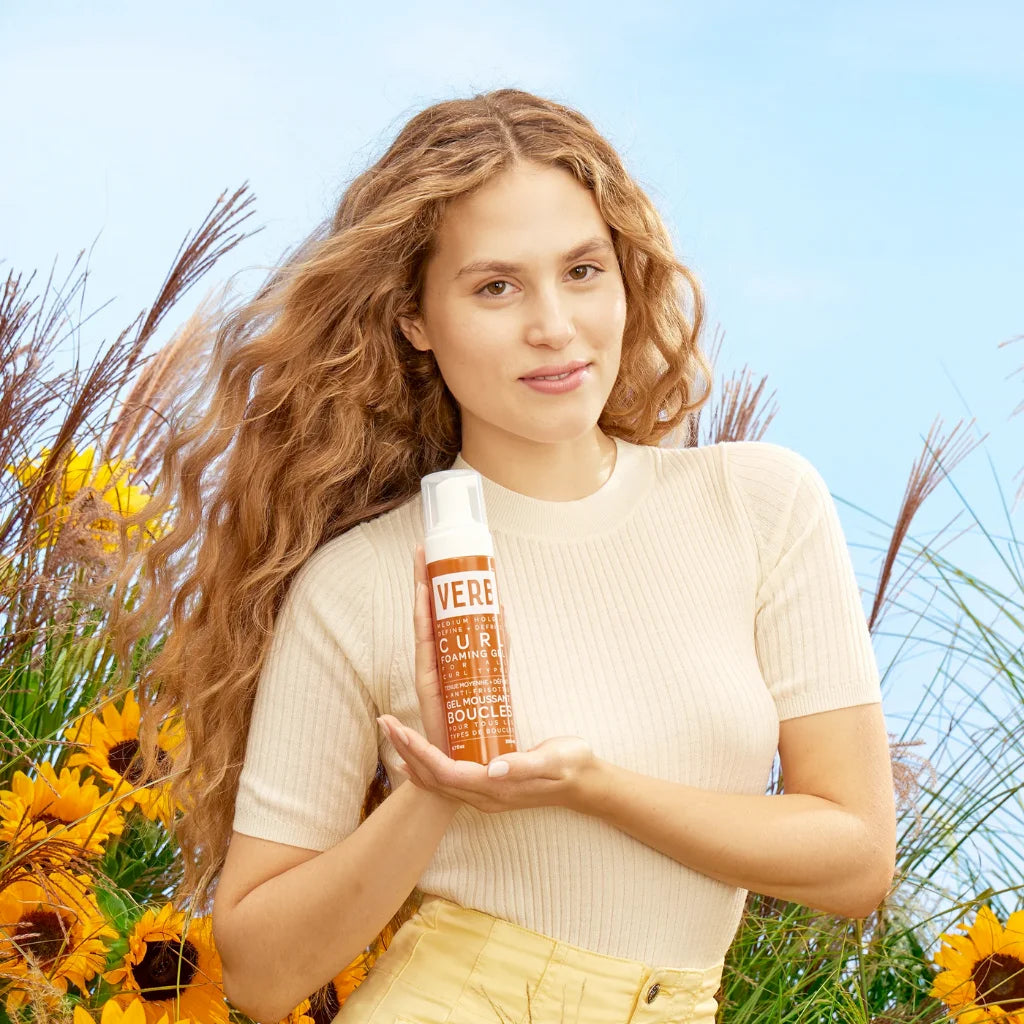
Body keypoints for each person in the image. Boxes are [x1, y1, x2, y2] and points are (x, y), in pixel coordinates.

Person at [115, 88, 897, 1024]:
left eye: (581, 271)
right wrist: (436, 790)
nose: (554, 326)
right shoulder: (361, 580)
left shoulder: (759, 505)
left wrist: (595, 786)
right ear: (413, 317)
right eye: (495, 286)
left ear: (625, 275)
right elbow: (261, 973)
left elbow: (855, 861)